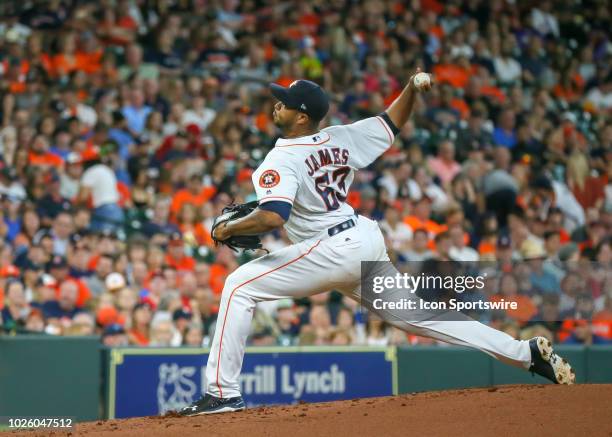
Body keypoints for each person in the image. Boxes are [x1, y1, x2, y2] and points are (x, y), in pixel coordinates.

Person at [180, 74, 574, 416]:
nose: (276, 103)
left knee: (238, 286)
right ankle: (525, 355)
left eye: (284, 102)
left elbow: (273, 216)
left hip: (331, 249)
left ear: (301, 116)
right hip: (362, 239)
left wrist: (226, 231)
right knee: (422, 317)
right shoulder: (340, 137)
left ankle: (221, 393)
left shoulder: (278, 160)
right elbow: (391, 123)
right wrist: (411, 89)